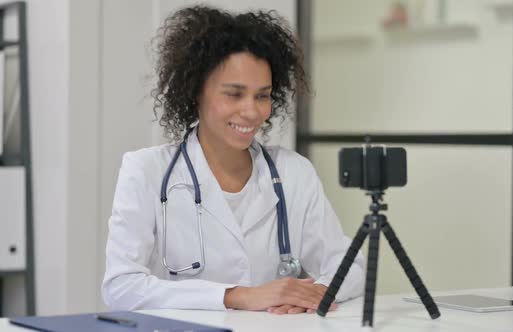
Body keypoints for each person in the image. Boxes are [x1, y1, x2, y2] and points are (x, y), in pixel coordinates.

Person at [101, 5, 364, 315]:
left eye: (262, 95)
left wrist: (316, 292)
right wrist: (236, 296)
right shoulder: (146, 171)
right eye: (234, 94)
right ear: (196, 92)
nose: (252, 111)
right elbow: (121, 287)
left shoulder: (293, 173)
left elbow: (351, 267)